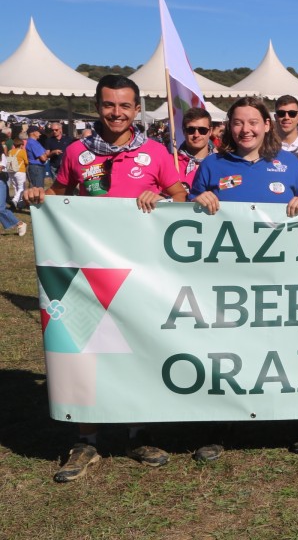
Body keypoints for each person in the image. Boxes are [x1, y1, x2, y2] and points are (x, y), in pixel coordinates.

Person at [25, 75, 187, 483]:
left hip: (142, 271)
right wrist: (40, 196)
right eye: (109, 105)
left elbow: (180, 197)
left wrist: (162, 200)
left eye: (125, 106)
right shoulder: (76, 152)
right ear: (98, 107)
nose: (117, 113)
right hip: (87, 270)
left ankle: (137, 433)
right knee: (86, 352)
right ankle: (87, 440)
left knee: (138, 348)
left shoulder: (156, 152)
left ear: (137, 110)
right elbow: (59, 195)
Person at [191, 96, 298, 454]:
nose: (245, 130)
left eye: (253, 122)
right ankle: (217, 428)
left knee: (283, 350)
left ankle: (293, 423)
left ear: (266, 125)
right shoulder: (212, 164)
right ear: (228, 126)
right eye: (237, 122)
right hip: (226, 278)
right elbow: (185, 213)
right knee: (224, 352)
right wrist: (197, 201)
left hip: (279, 276)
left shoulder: (288, 164)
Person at [176, 107, 215, 192]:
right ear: (184, 131)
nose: (196, 135)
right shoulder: (170, 163)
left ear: (210, 131)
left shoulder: (222, 163)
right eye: (191, 130)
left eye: (202, 130)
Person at [6, 136, 28, 208]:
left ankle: (17, 202)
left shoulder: (10, 151)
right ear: (21, 145)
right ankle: (15, 200)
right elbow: (26, 161)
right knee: (21, 187)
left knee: (15, 187)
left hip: (11, 171)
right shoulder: (22, 152)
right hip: (20, 171)